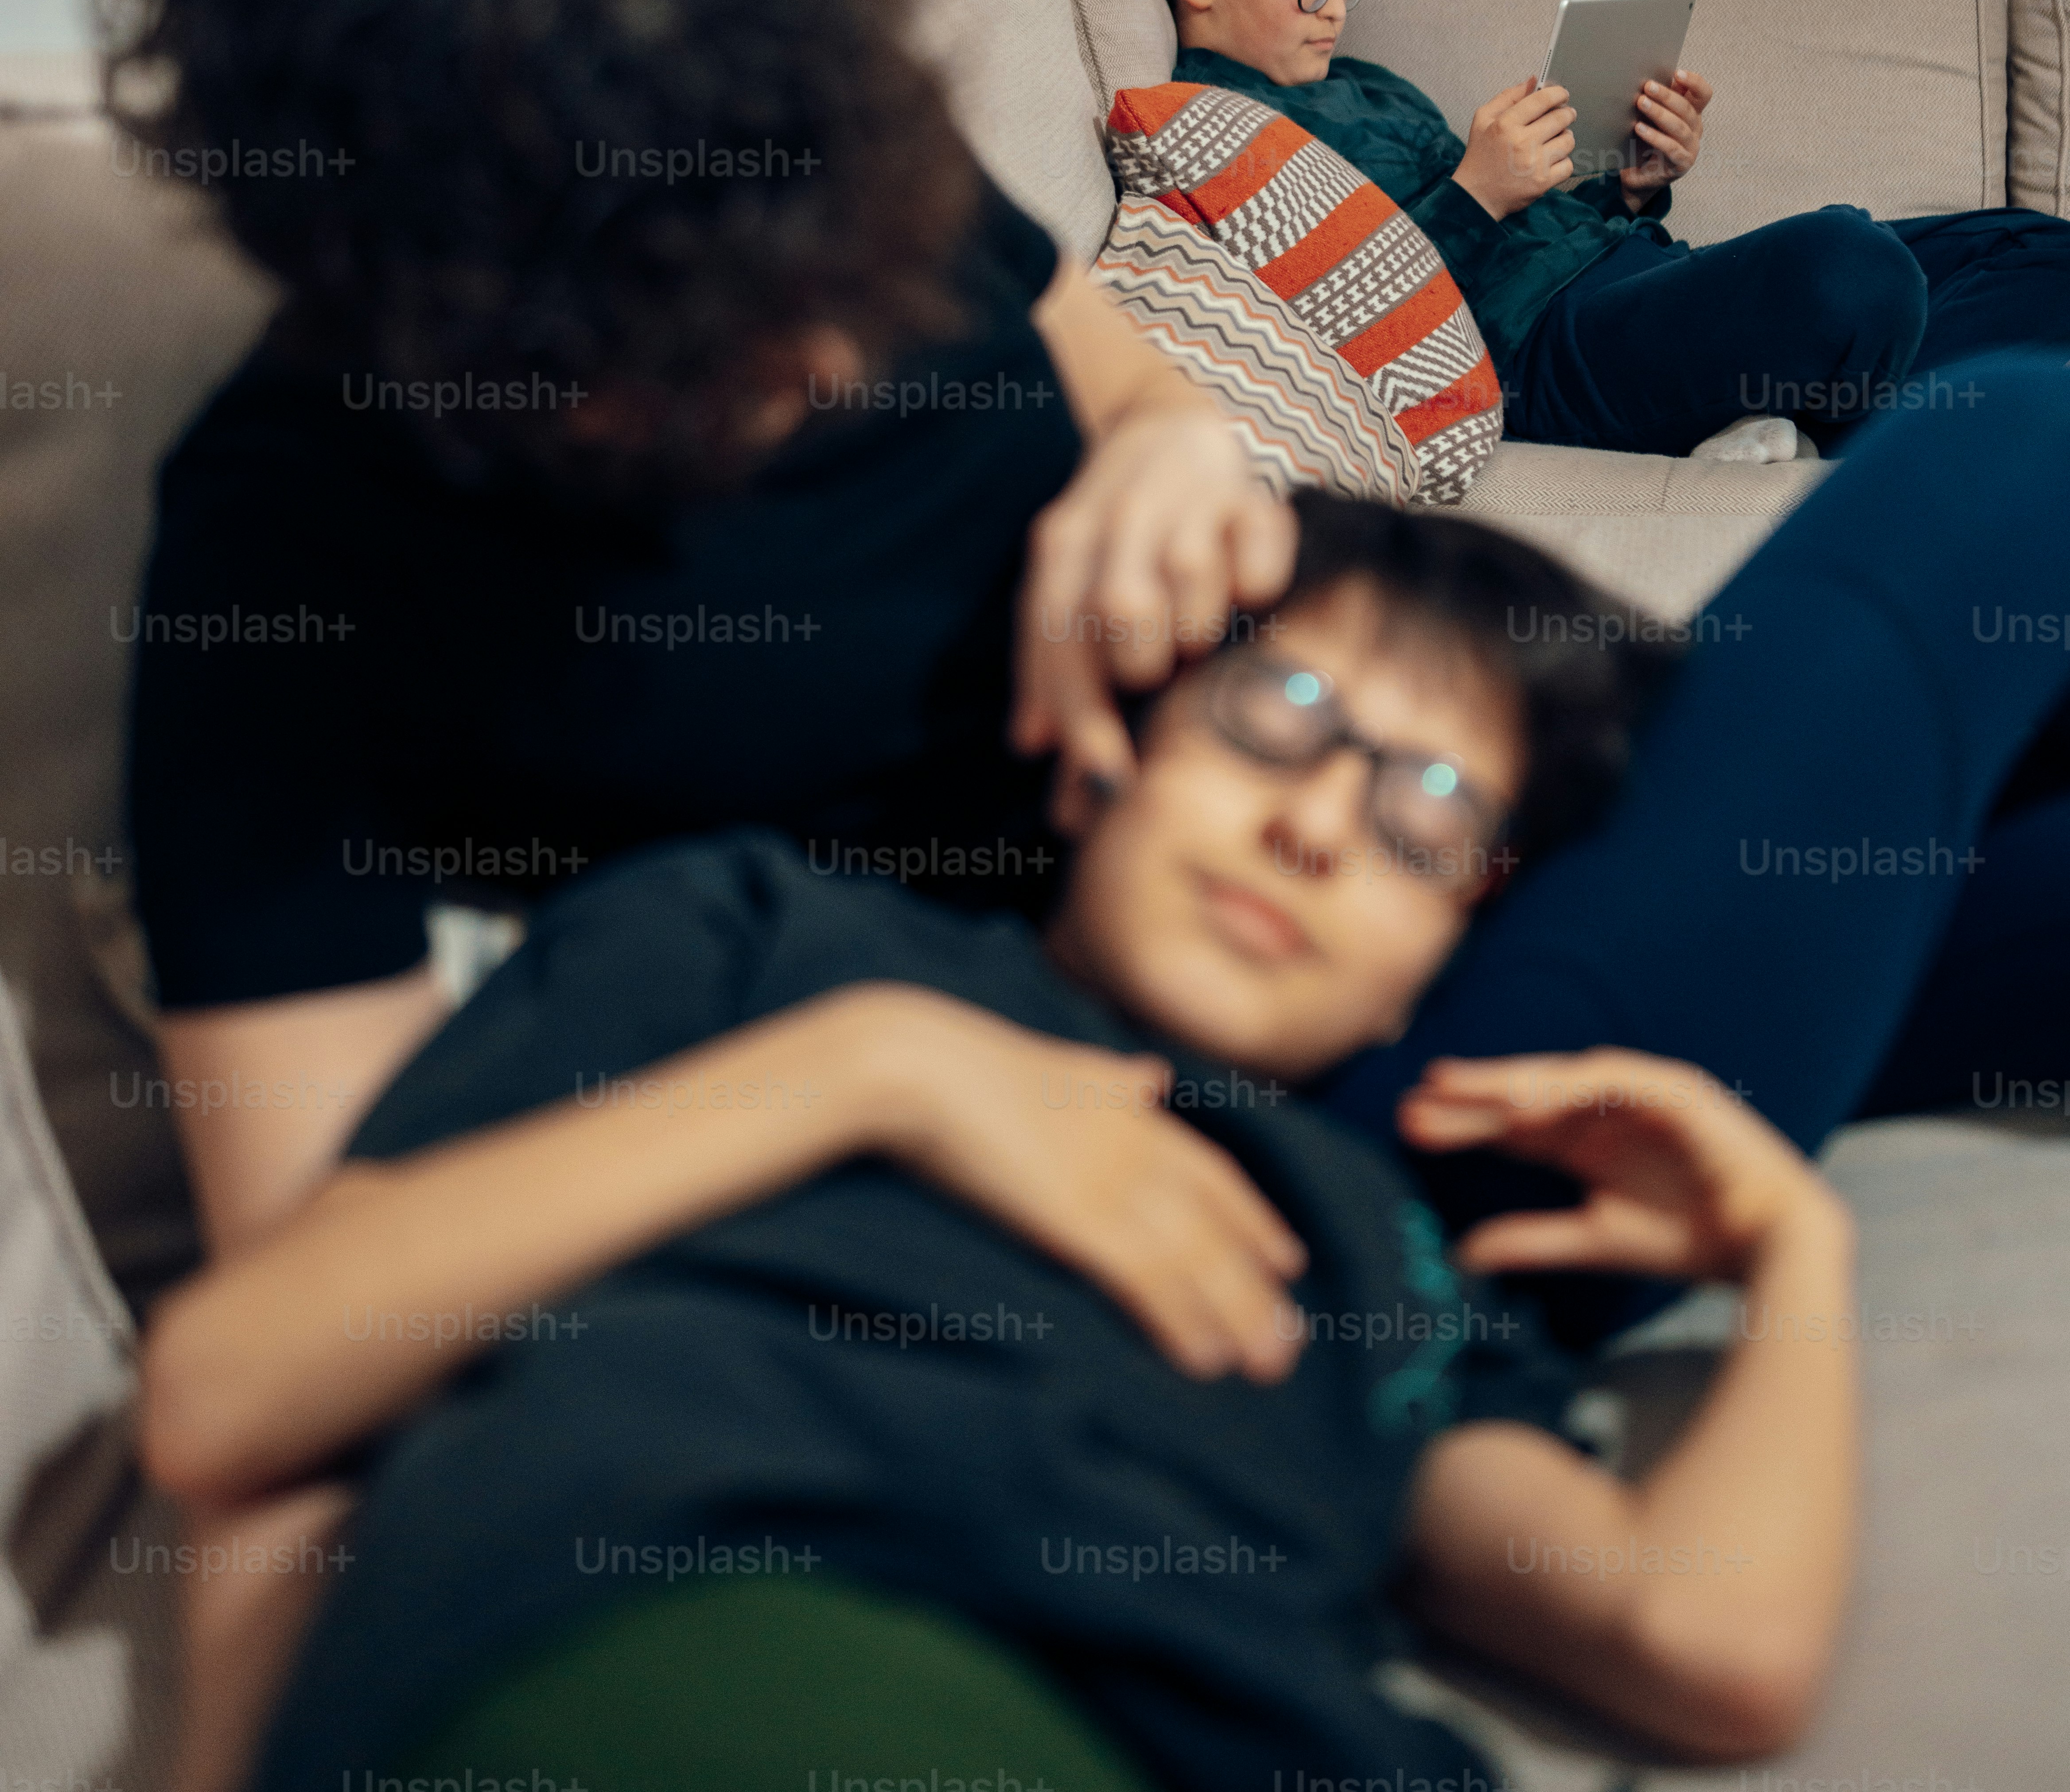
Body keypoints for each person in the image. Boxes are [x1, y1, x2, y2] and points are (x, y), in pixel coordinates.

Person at [141, 494, 1862, 1792]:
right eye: (1277, 712)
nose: (1316, 822)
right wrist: (872, 1073)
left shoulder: (1388, 1253)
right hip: (712, 1642)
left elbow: (1700, 1642)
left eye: (1427, 813)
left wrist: (1797, 1255)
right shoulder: (757, 942)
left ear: (1452, 940)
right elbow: (238, 1383)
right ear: (1111, 743)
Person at [105, 0, 1293, 1254]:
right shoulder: (289, 544)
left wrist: (1176, 443)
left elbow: (1129, 374)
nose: (822, 360)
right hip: (1000, 1127)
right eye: (687, 351)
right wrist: (871, 1073)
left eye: (822, 264)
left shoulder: (820, 139)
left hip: (1280, 880)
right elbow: (297, 1296)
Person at [1120, 0, 2070, 457]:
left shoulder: (1362, 84)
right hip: (1540, 354)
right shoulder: (1211, 129)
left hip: (1629, 274)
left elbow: (1524, 231)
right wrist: (1475, 194)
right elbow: (1335, 319)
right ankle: (1843, 407)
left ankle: (1799, 402)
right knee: (1845, 269)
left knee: (2031, 251)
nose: (1332, 6)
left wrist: (1629, 185)